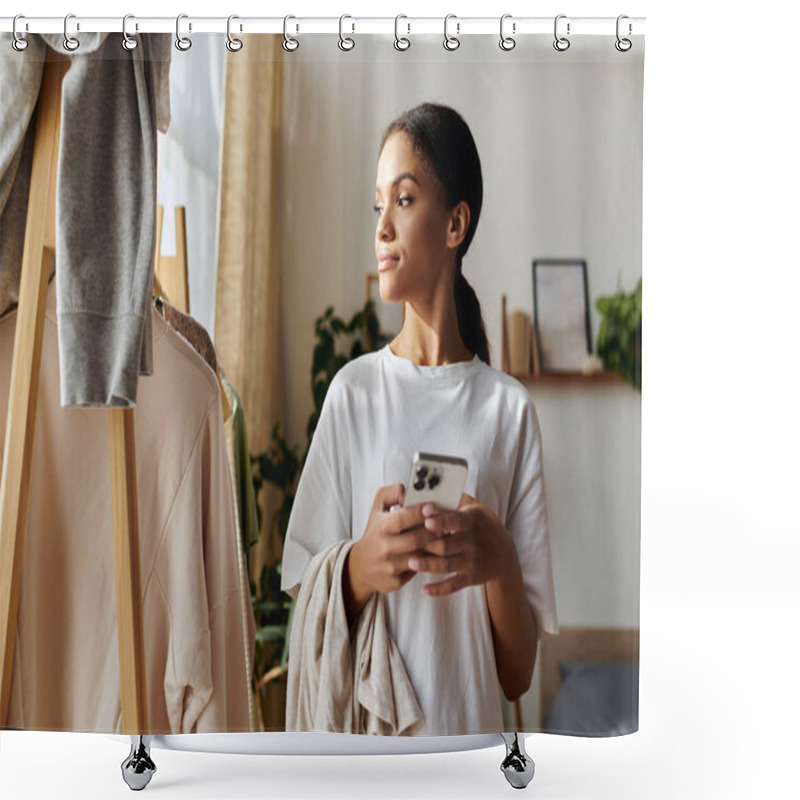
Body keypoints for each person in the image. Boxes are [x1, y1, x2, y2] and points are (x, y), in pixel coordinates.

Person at [281, 102, 558, 736]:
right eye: (376, 205)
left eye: (403, 200)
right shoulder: (354, 394)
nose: (381, 227)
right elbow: (304, 596)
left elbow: (516, 675)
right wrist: (358, 567)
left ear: (455, 222)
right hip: (368, 766)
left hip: (468, 758)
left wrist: (501, 562)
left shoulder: (508, 410)